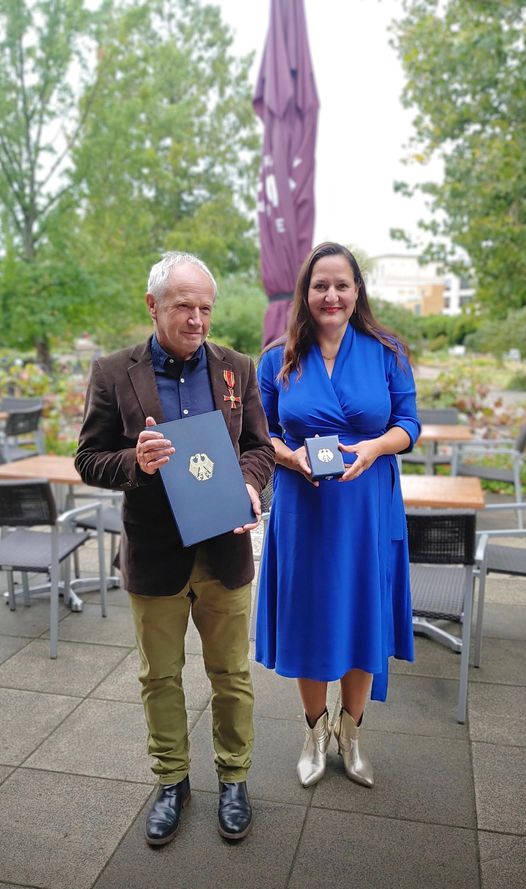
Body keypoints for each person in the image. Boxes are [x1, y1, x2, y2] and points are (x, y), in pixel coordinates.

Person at [75, 252, 274, 845]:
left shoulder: (237, 367)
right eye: (183, 305)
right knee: (159, 677)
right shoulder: (114, 372)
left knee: (232, 675)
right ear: (153, 305)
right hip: (156, 555)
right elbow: (88, 459)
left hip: (224, 553)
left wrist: (248, 483)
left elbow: (261, 448)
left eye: (205, 307)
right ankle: (172, 781)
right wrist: (134, 462)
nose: (196, 319)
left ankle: (234, 778)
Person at [255, 242, 420, 789]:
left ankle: (352, 732)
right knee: (309, 616)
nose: (331, 295)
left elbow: (408, 425)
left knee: (360, 613)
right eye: (320, 285)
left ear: (356, 292)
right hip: (305, 510)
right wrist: (289, 456)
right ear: (306, 293)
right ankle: (313, 730)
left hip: (367, 508)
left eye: (341, 285)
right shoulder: (278, 358)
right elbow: (261, 435)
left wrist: (374, 448)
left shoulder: (387, 351)